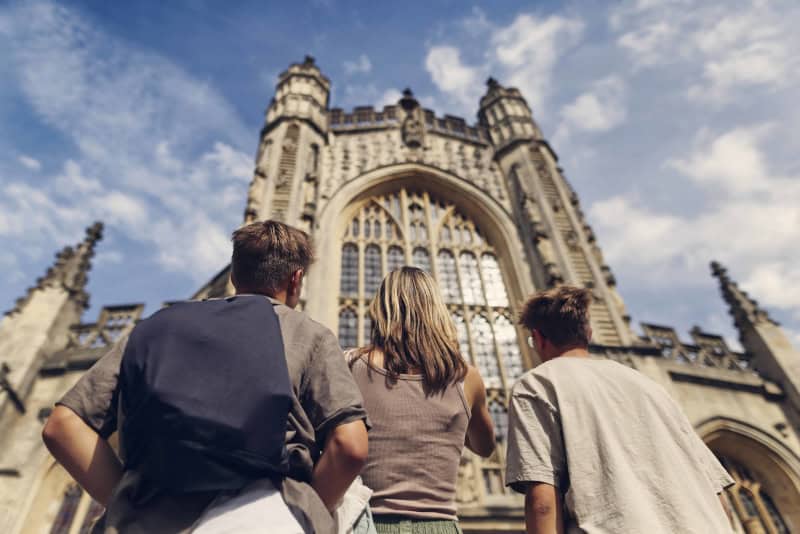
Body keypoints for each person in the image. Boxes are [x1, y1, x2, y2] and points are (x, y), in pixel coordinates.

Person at [42, 220, 370, 534]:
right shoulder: (307, 333)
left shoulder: (156, 327)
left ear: (233, 274)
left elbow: (62, 426)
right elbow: (350, 446)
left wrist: (127, 500)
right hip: (267, 518)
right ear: (296, 279)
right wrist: (308, 510)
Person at [505, 286, 734, 534]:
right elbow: (717, 496)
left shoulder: (537, 384)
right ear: (589, 333)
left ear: (538, 339)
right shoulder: (651, 387)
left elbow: (543, 503)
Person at [347, 267, 496, 533]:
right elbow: (485, 447)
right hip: (440, 526)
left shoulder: (350, 364)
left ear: (380, 309)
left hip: (367, 523)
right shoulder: (467, 377)